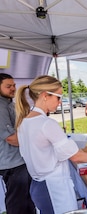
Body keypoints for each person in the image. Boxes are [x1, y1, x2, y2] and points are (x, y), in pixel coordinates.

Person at [15, 75, 87, 214]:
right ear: (45, 95)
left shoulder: (24, 121)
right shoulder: (46, 123)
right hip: (53, 187)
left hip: (39, 185)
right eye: (58, 97)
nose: (60, 102)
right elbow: (75, 156)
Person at [0, 73, 36, 214]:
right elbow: (11, 138)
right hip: (12, 164)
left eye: (14, 85)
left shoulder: (10, 104)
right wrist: (35, 142)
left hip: (20, 160)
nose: (13, 88)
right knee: (17, 202)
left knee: (28, 198)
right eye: (8, 86)